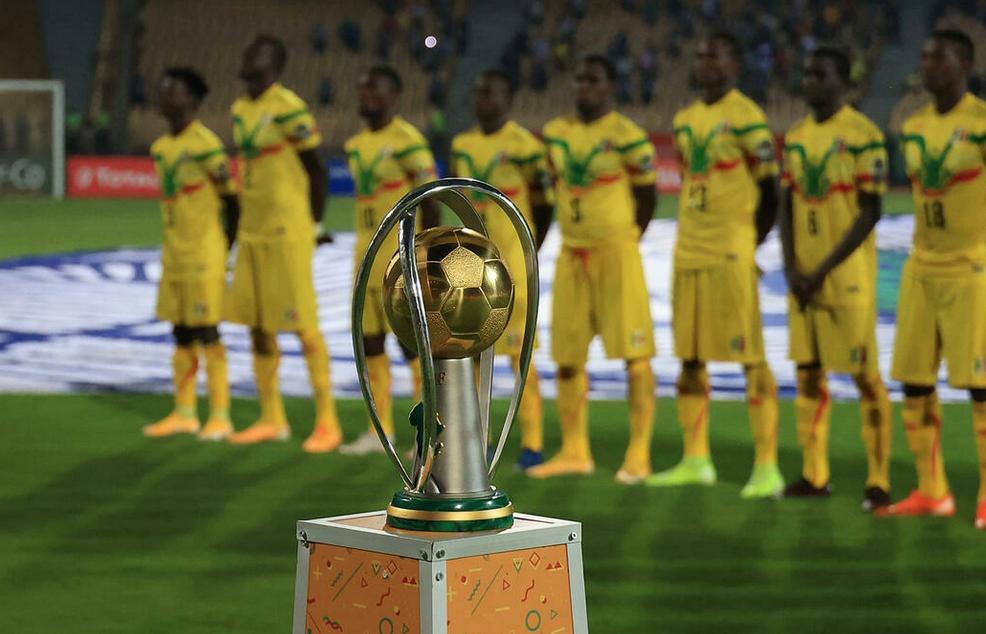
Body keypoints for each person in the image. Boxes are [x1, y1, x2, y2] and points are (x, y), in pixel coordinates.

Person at [647, 32, 783, 498]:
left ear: (734, 64)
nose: (705, 62)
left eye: (715, 56)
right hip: (689, 251)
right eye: (701, 54)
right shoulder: (685, 119)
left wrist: (748, 241)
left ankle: (767, 467)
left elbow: (771, 193)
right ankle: (695, 459)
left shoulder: (747, 118)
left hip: (729, 253)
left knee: (750, 358)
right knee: (689, 358)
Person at [528, 54, 658, 484]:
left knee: (636, 358)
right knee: (567, 359)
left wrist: (627, 235)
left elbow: (647, 196)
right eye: (580, 79)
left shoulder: (628, 136)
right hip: (572, 254)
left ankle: (638, 454)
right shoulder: (555, 134)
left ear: (610, 87)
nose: (584, 86)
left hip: (617, 254)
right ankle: (574, 451)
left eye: (593, 80)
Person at [879, 30, 986, 529]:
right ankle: (932, 490)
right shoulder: (914, 125)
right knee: (915, 383)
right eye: (923, 57)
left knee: (981, 388)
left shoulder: (981, 123)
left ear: (964, 64)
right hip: (922, 267)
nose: (926, 65)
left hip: (972, 269)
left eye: (938, 58)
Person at [778, 47, 893, 510]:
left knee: (865, 377)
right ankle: (814, 475)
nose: (810, 81)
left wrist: (821, 269)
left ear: (843, 82)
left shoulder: (864, 135)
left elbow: (871, 210)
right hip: (802, 279)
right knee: (808, 375)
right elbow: (786, 204)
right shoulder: (797, 135)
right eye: (807, 73)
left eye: (820, 74)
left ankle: (879, 481)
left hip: (846, 278)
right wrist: (791, 266)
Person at [226, 35, 342, 452]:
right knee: (259, 327)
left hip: (286, 231)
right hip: (252, 231)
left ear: (273, 63)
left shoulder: (289, 107)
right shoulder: (240, 109)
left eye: (254, 53)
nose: (246, 57)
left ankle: (328, 421)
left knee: (303, 325)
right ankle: (272, 418)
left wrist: (315, 223)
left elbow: (316, 170)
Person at [450, 69, 554, 471]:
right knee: (473, 355)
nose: (483, 100)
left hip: (512, 270)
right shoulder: (462, 145)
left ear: (508, 100)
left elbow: (544, 205)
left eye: (491, 94)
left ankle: (533, 443)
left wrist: (526, 250)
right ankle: (479, 440)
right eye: (479, 93)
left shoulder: (526, 146)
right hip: (471, 267)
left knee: (518, 357)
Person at [341, 65, 439, 455]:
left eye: (374, 90)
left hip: (401, 259)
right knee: (370, 343)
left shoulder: (408, 142)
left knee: (413, 347)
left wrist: (426, 255)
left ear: (394, 96)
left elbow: (431, 201)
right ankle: (378, 432)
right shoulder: (355, 144)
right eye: (362, 89)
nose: (366, 96)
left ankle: (428, 433)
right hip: (365, 257)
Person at [142, 67, 238, 441]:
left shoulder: (206, 145)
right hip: (175, 254)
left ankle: (220, 416)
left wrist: (224, 248)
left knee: (207, 330)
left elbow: (232, 201)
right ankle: (184, 413)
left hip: (203, 253)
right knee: (180, 331)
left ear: (192, 100)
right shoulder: (161, 148)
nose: (164, 96)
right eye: (163, 89)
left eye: (174, 91)